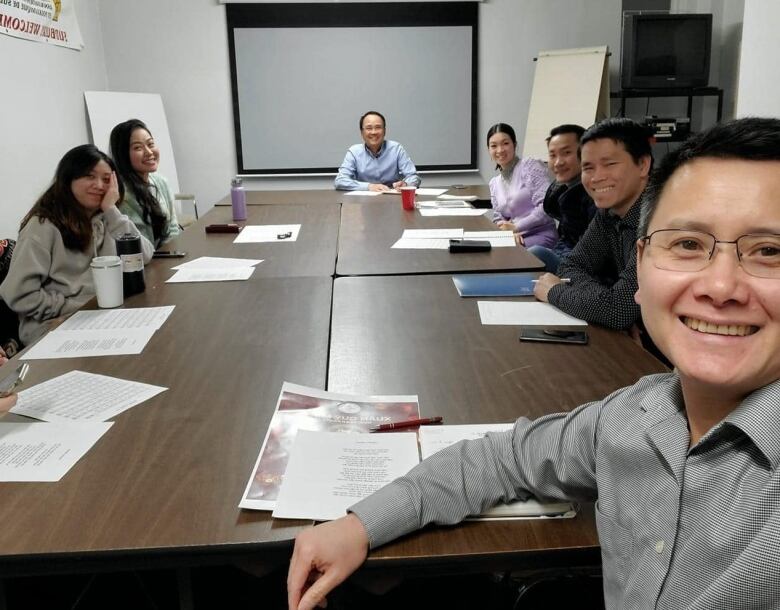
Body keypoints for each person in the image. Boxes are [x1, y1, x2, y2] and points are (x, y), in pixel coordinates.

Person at [287, 117, 780, 610]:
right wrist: (362, 523)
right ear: (643, 259)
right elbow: (502, 459)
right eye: (689, 244)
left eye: (770, 251)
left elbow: (604, 300)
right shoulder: (633, 416)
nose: (720, 287)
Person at [0, 145, 154, 346]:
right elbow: (18, 294)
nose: (99, 185)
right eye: (90, 176)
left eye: (107, 179)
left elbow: (145, 255)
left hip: (101, 316)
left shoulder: (106, 218)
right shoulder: (42, 226)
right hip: (54, 327)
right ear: (68, 179)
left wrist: (112, 211)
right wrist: (74, 308)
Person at [533, 118, 652, 330]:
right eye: (588, 167)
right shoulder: (608, 213)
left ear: (643, 165)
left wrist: (554, 292)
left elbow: (617, 311)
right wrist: (603, 300)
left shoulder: (659, 222)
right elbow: (570, 265)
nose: (596, 177)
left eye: (609, 164)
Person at [527, 124, 596, 272]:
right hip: (564, 256)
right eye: (552, 155)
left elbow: (590, 254)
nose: (558, 162)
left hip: (581, 272)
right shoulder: (563, 189)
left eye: (566, 153)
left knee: (534, 254)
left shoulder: (595, 195)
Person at [110, 118, 181, 248]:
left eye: (151, 144)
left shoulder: (161, 182)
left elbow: (173, 228)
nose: (149, 152)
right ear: (123, 154)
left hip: (166, 258)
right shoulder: (121, 192)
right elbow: (136, 243)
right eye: (138, 147)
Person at [486, 123, 557, 248]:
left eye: (505, 143)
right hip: (514, 236)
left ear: (515, 144)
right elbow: (498, 217)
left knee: (505, 254)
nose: (500, 150)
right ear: (489, 150)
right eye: (494, 146)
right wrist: (507, 233)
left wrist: (516, 227)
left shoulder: (530, 166)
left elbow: (546, 207)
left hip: (540, 235)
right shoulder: (494, 183)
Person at [334, 111, 421, 192]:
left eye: (378, 127)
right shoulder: (354, 152)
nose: (373, 132)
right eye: (369, 128)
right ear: (362, 132)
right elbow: (340, 181)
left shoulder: (396, 149)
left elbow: (414, 177)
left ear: (385, 131)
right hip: (363, 202)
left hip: (392, 200)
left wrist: (406, 184)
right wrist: (369, 187)